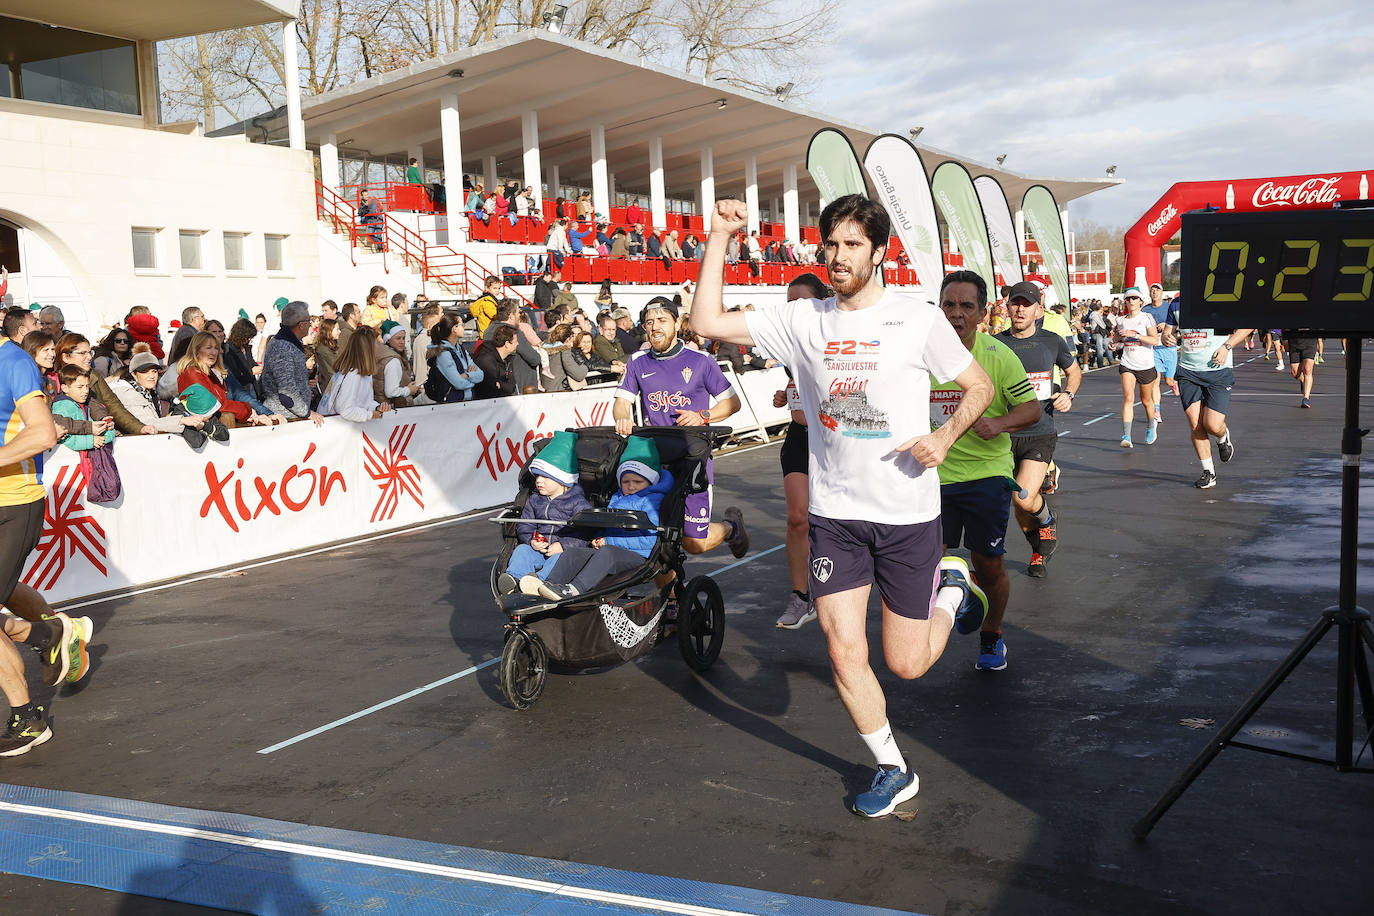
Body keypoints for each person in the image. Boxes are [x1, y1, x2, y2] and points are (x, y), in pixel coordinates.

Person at [697, 195, 996, 817]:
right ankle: (892, 765)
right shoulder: (804, 319)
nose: (837, 256)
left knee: (907, 665)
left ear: (879, 252)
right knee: (840, 651)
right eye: (831, 244)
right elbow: (706, 322)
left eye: (852, 245)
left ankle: (953, 590)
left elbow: (979, 387)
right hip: (836, 519)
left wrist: (943, 437)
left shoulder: (916, 320)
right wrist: (720, 238)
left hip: (907, 518)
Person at [931, 270, 1041, 672]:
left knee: (989, 563)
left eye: (966, 306)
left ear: (981, 314)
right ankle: (956, 593)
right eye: (949, 304)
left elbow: (1031, 410)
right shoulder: (917, 353)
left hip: (986, 474)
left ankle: (991, 634)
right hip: (932, 477)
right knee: (925, 561)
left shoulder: (997, 355)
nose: (956, 314)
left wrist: (999, 424)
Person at [0, 330, 90, 757]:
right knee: (6, 592)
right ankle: (47, 633)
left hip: (14, 505)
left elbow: (42, 434)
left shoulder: (13, 362)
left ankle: (28, 718)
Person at [615, 296, 747, 557]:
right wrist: (623, 417)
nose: (655, 327)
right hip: (653, 460)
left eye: (662, 320)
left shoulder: (701, 360)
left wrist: (703, 415)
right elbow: (621, 403)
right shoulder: (637, 362)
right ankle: (672, 596)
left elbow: (732, 403)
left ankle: (731, 528)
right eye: (649, 322)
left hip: (693, 459)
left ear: (677, 324)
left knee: (692, 543)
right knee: (655, 537)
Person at [995, 281, 1080, 578]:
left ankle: (1047, 522)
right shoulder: (994, 343)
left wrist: (1068, 394)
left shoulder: (1052, 341)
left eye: (1026, 304)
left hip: (1039, 431)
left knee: (1022, 496)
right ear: (1007, 307)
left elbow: (1074, 371)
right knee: (1019, 504)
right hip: (1003, 435)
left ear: (1038, 310)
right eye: (1015, 303)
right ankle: (1038, 550)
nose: (1019, 308)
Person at [532, 436, 677, 600]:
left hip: (640, 555)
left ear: (650, 481)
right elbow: (608, 525)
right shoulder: (617, 497)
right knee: (573, 553)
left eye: (637, 481)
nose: (630, 486)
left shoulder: (652, 501)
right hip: (611, 549)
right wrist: (599, 536)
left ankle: (575, 589)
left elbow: (650, 540)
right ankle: (548, 585)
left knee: (607, 553)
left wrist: (609, 541)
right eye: (625, 481)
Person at [772, 272, 830, 630]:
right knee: (798, 518)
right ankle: (800, 596)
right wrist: (787, 394)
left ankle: (837, 588)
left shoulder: (835, 340)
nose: (792, 309)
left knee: (834, 521)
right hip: (799, 437)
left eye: (801, 302)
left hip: (833, 438)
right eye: (788, 302)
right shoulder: (787, 345)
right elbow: (798, 386)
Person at [495, 431, 593, 594]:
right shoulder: (535, 500)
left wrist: (562, 546)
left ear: (563, 480)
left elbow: (583, 534)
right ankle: (514, 578)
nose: (538, 481)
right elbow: (525, 526)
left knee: (559, 560)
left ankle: (539, 581)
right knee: (522, 551)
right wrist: (531, 540)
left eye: (545, 477)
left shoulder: (578, 503)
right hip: (538, 549)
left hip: (561, 551)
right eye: (537, 476)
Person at [1176, 322, 1254, 489]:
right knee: (1196, 425)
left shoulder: (1218, 300)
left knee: (1212, 424)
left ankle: (1222, 437)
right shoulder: (1176, 305)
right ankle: (1208, 472)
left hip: (1218, 371)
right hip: (1188, 372)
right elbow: (1167, 332)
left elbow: (1248, 325)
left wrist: (1227, 346)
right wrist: (1167, 337)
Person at [178, 331, 279, 427]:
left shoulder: (212, 373)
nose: (213, 352)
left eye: (216, 348)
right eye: (208, 348)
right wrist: (247, 411)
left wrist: (259, 413)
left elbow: (237, 395)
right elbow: (216, 405)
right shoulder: (191, 373)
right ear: (196, 350)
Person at [106, 351, 209, 441]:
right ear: (134, 374)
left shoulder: (151, 392)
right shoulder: (127, 392)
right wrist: (182, 420)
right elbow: (145, 423)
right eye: (145, 372)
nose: (151, 376)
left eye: (154, 371)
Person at [55, 333, 146, 435]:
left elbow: (113, 405)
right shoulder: (54, 381)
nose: (89, 357)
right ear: (65, 357)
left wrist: (140, 428)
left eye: (90, 352)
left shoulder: (94, 375)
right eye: (82, 353)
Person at [260, 301, 323, 424]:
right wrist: (307, 412)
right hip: (286, 419)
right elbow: (287, 393)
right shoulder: (281, 348)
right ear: (300, 325)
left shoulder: (292, 343)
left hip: (293, 415)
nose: (310, 325)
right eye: (308, 321)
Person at [1112, 287, 1160, 447]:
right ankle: (1126, 436)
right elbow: (1119, 341)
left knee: (1146, 401)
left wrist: (1137, 335)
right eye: (1128, 299)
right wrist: (1115, 345)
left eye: (1134, 298)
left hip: (1146, 365)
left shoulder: (1146, 317)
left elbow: (1155, 341)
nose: (1131, 301)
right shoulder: (1120, 321)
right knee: (1128, 398)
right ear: (1125, 302)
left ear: (1140, 301)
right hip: (1127, 363)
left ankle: (1151, 425)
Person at [319, 327, 392, 422]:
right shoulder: (353, 374)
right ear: (368, 348)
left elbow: (364, 402)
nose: (377, 346)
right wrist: (370, 415)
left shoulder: (362, 371)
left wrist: (377, 407)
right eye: (375, 343)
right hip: (333, 427)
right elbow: (346, 410)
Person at [1142, 282, 1181, 418]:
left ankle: (1173, 383)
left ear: (1162, 292)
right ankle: (1156, 411)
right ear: (1149, 293)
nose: (1154, 292)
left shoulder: (1169, 307)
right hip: (1153, 349)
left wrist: (1167, 325)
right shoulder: (1145, 310)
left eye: (1157, 290)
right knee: (1155, 381)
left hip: (1168, 348)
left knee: (1169, 380)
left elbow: (1177, 325)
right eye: (1152, 290)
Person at [423, 316, 483, 403]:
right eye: (462, 325)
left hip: (468, 401)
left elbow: (481, 374)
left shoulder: (461, 349)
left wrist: (466, 375)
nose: (464, 327)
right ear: (454, 329)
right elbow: (459, 383)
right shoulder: (443, 354)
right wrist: (472, 380)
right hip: (451, 404)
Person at [373, 320, 421, 409]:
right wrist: (409, 390)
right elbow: (391, 392)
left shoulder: (384, 355)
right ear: (388, 339)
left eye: (403, 338)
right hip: (392, 408)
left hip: (384, 406)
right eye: (398, 338)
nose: (402, 341)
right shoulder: (393, 360)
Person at [473, 325, 519, 399]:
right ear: (507, 344)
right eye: (515, 341)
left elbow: (511, 387)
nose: (518, 344)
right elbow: (491, 389)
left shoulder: (508, 359)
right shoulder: (486, 360)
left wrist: (500, 384)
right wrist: (500, 385)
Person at [410, 303, 443, 394]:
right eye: (441, 313)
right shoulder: (427, 341)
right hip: (426, 388)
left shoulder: (422, 338)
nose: (443, 315)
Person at [1284, 331, 1320, 408]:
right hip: (1294, 341)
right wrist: (1285, 340)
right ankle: (1303, 380)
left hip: (1310, 341)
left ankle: (1306, 398)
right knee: (1295, 373)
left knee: (1307, 369)